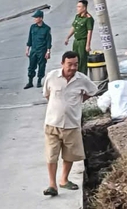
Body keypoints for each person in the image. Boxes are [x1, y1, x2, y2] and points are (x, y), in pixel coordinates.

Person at [42, 51, 98, 197]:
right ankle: (52, 185)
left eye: (75, 64)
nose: (73, 67)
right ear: (62, 63)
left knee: (70, 155)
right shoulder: (52, 77)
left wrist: (78, 101)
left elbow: (92, 91)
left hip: (72, 123)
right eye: (69, 64)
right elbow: (47, 94)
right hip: (52, 123)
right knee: (51, 155)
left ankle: (64, 180)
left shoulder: (81, 79)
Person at [24, 9, 52, 90]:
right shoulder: (32, 27)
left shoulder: (46, 28)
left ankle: (39, 80)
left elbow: (48, 41)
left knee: (42, 65)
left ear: (41, 18)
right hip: (34, 50)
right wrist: (27, 49)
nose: (35, 19)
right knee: (31, 66)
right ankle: (30, 81)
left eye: (36, 17)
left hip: (42, 50)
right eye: (35, 17)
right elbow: (30, 39)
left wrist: (48, 51)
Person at [64, 0, 94, 65]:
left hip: (83, 42)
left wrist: (88, 45)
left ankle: (82, 74)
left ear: (84, 8)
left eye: (79, 7)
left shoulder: (88, 18)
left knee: (82, 61)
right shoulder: (77, 16)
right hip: (76, 41)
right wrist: (68, 37)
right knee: (75, 60)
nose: (77, 8)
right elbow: (74, 27)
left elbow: (89, 32)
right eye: (77, 7)